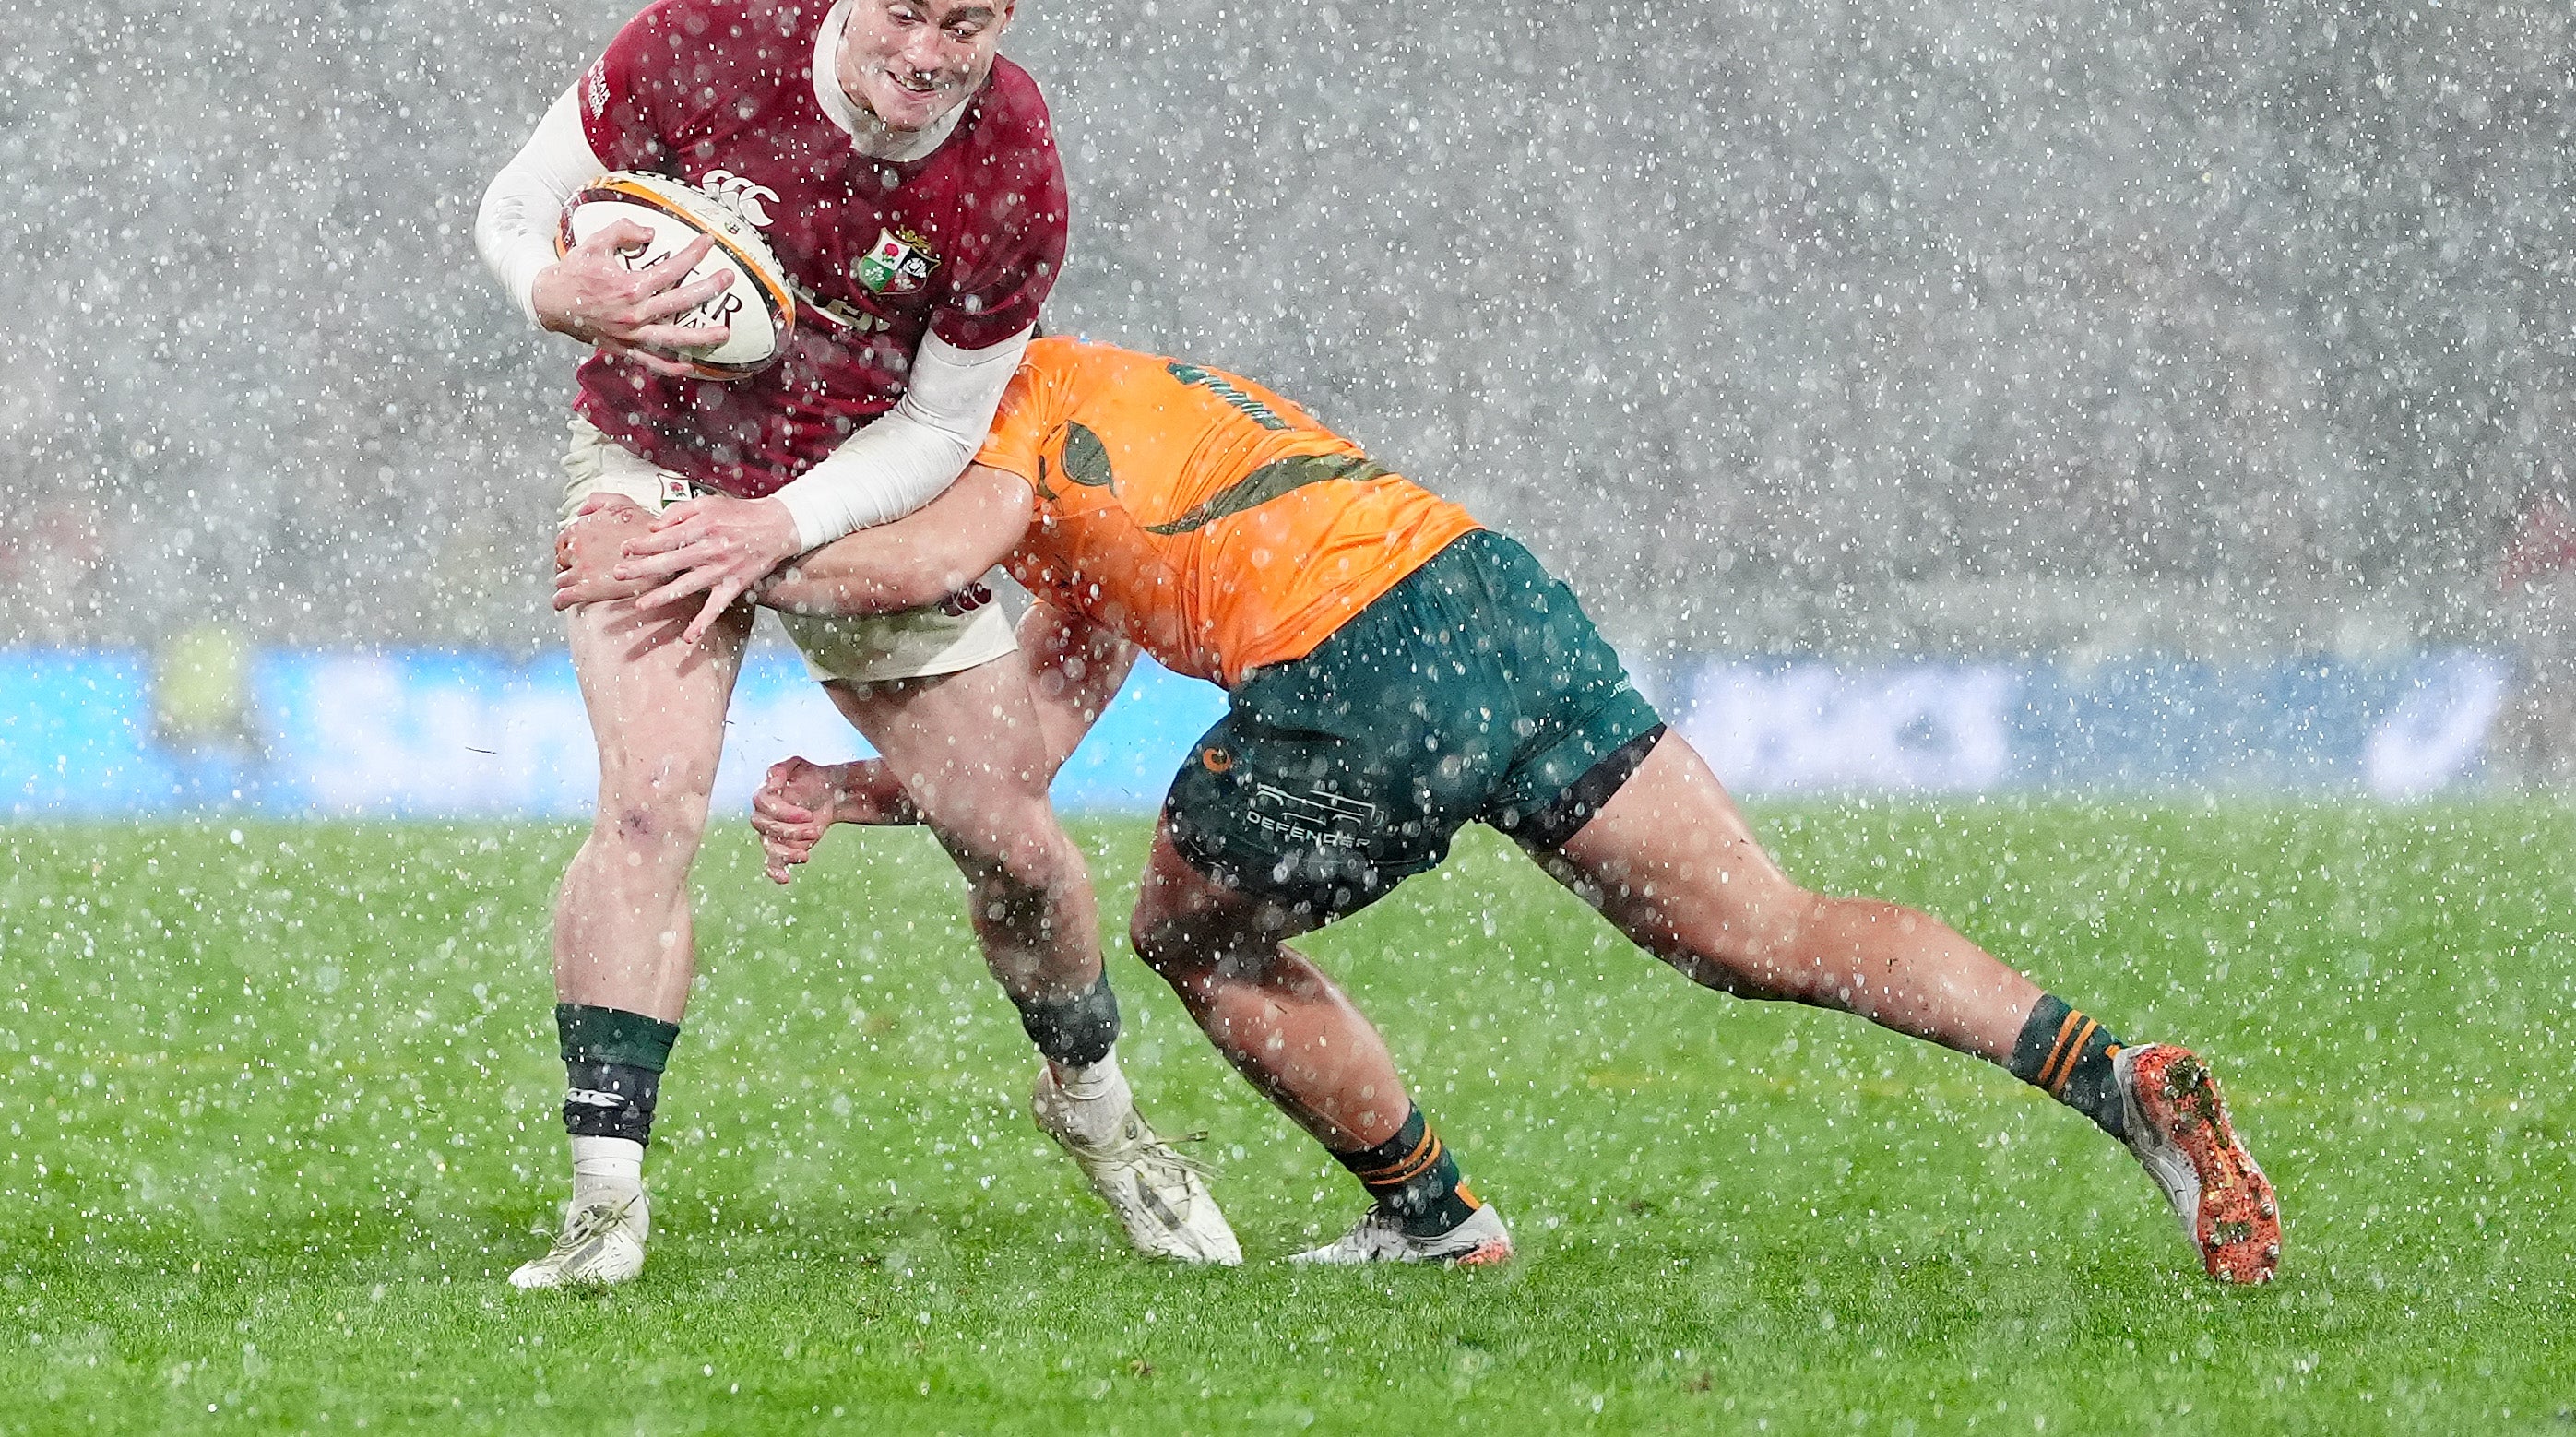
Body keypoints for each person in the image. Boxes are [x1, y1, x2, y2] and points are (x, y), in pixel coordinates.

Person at [560, 336, 2284, 1281]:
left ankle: (1435, 1217)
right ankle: (2105, 1072)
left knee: (1184, 930)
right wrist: (869, 787)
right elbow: (1025, 743)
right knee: (1761, 926)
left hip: (1359, 654)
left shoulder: (998, 405)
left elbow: (936, 554)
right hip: (1487, 591)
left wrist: (737, 547)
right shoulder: (1117, 417)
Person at [472, 0, 1236, 1287]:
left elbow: (943, 422)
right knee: (647, 805)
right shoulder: (699, 42)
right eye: (905, 9)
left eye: (967, 24)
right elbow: (516, 208)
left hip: (854, 488)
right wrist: (545, 285)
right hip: (657, 456)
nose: (925, 54)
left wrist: (784, 529)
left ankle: (1098, 1113)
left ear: (1007, 17)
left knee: (1008, 836)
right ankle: (602, 1206)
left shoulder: (1012, 162)